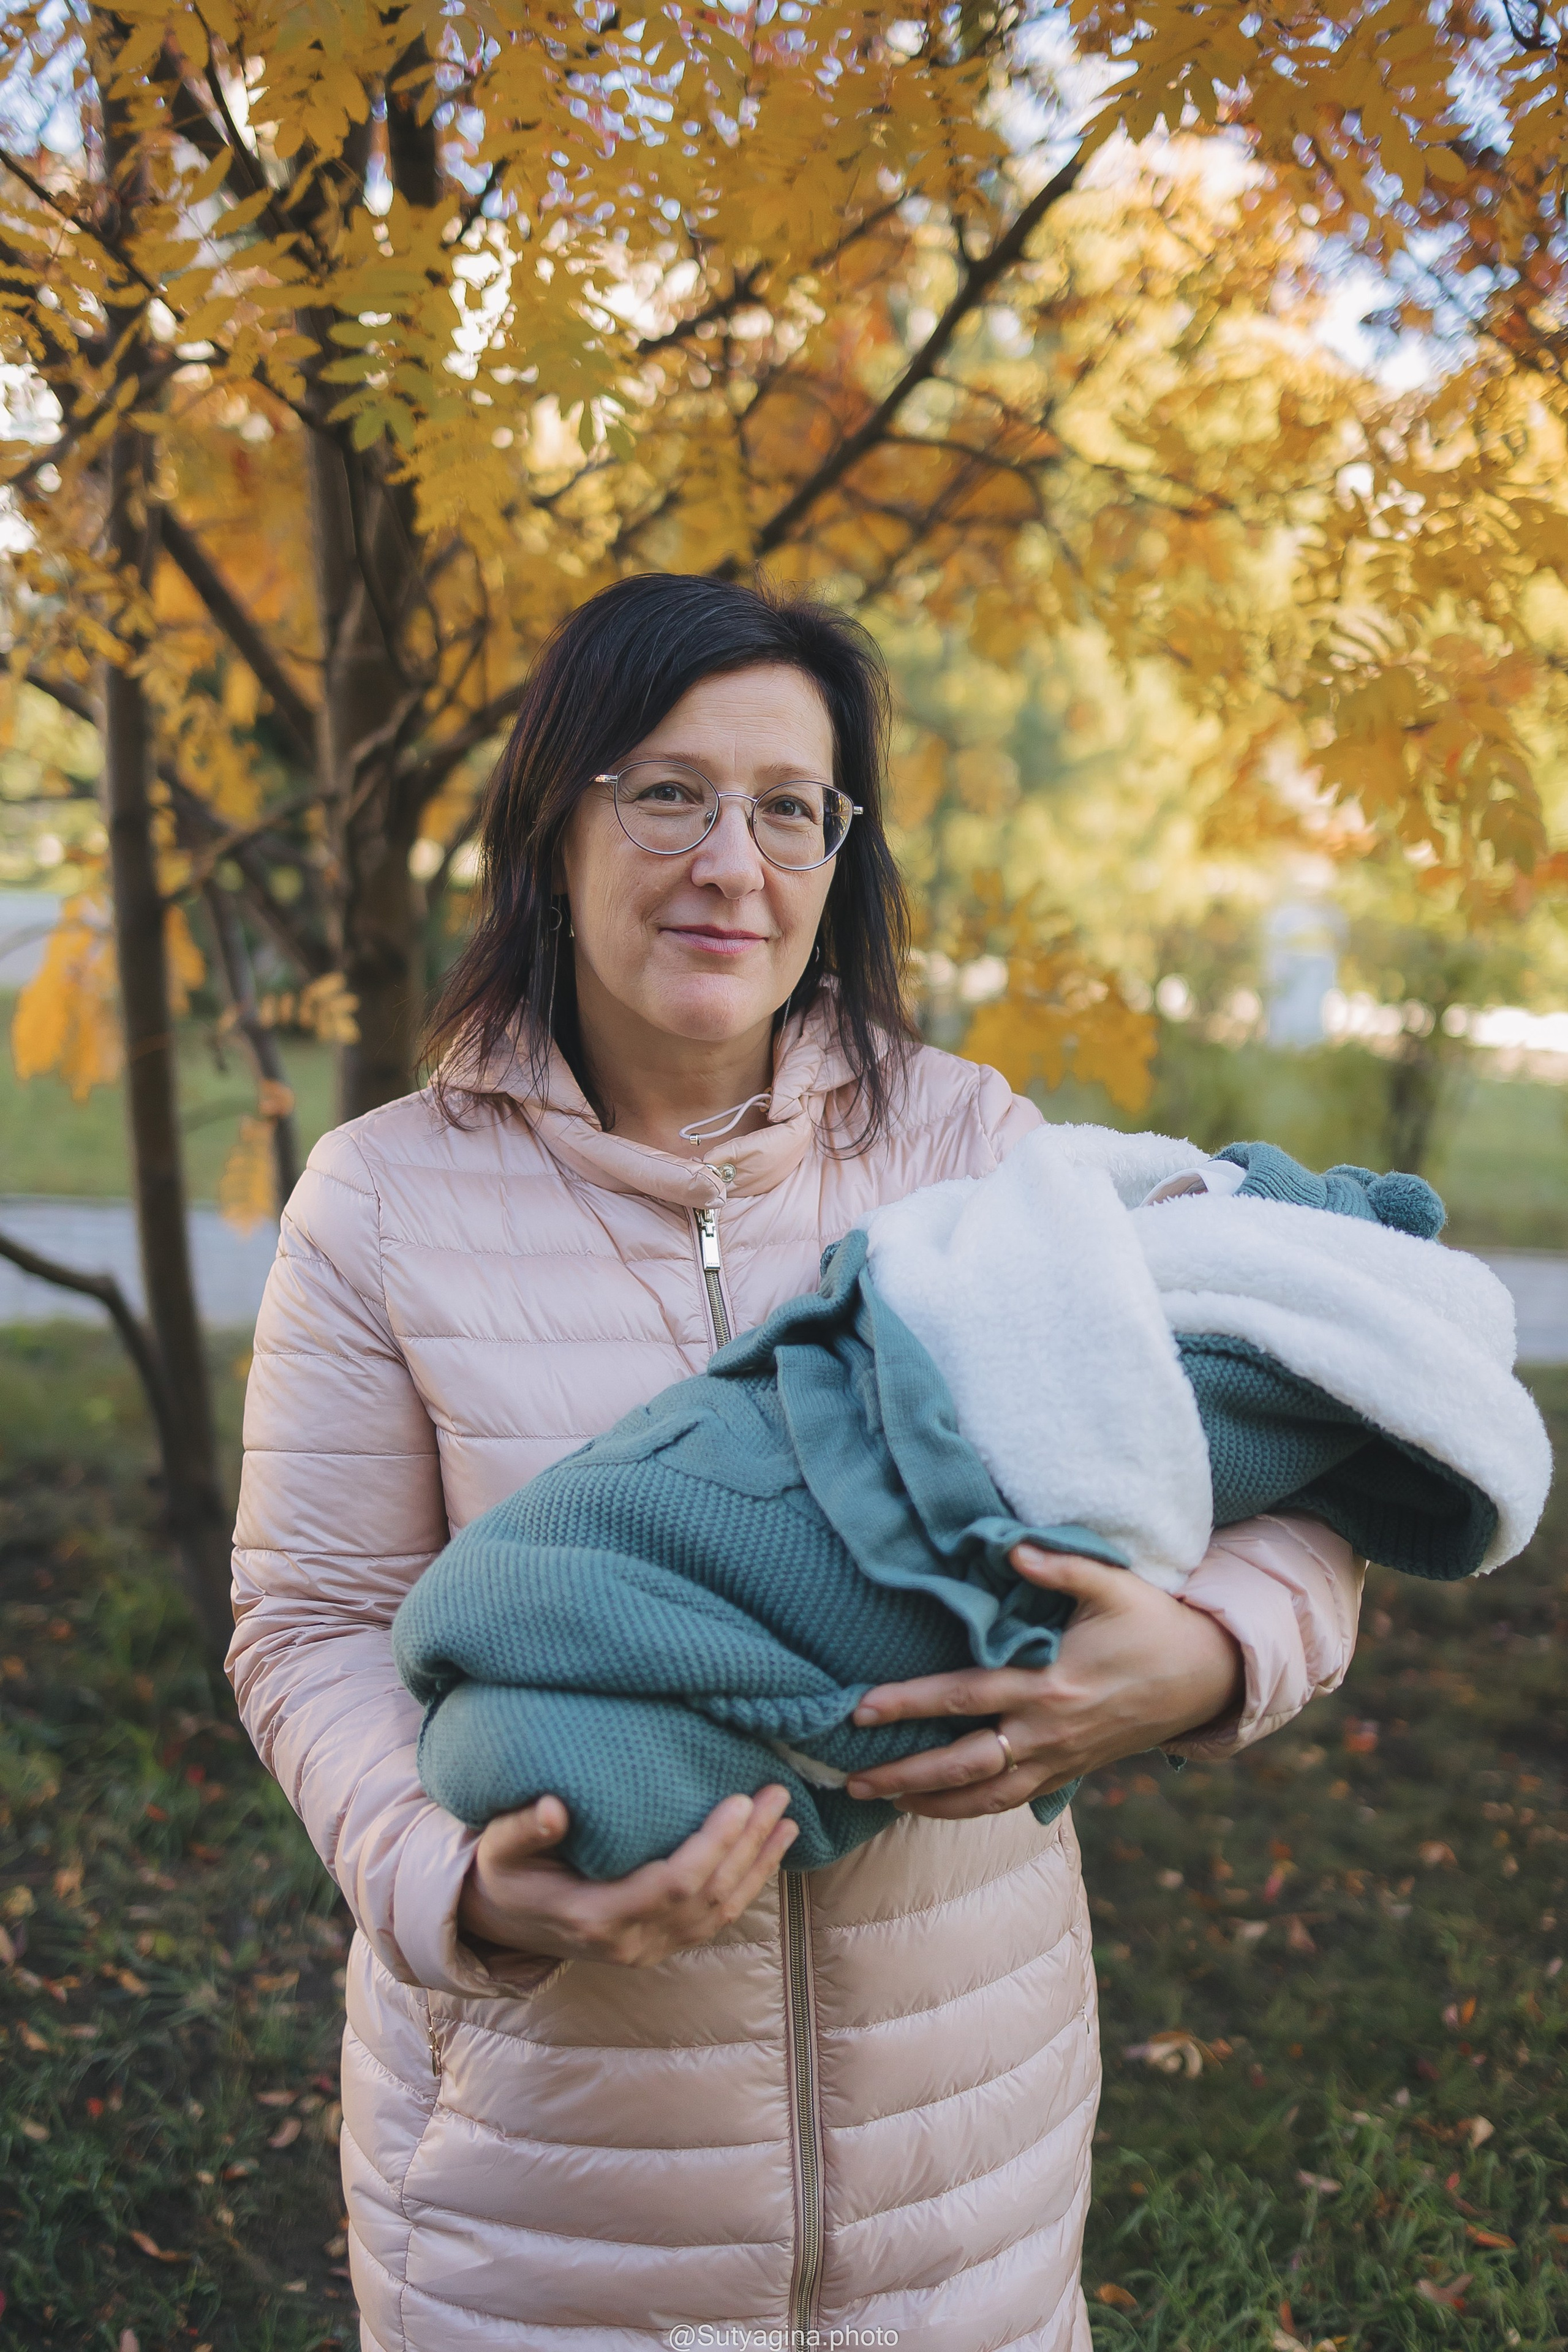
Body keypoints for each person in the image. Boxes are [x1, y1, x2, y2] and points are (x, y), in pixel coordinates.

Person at [230, 574, 1362, 2352]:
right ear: (554, 823)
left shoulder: (971, 1146)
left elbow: (1283, 1422)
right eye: (666, 791)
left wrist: (1206, 1658)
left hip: (958, 2172)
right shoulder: (384, 1200)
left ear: (842, 857)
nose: (729, 864)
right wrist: (458, 1887)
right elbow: (310, 1623)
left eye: (790, 808)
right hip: (555, 2185)